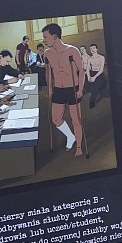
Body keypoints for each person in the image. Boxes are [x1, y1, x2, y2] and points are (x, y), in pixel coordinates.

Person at [42, 23, 85, 156]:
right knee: (56, 119)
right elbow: (48, 73)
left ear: (54, 36)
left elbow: (82, 71)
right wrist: (49, 89)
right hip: (58, 90)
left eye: (45, 37)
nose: (43, 40)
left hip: (73, 88)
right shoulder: (47, 53)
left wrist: (80, 90)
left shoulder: (72, 51)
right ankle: (70, 136)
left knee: (76, 120)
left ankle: (78, 146)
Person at [85, 43, 107, 107]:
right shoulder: (90, 59)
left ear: (97, 49)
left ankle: (92, 100)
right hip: (92, 72)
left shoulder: (101, 57)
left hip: (99, 73)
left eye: (94, 48)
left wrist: (94, 77)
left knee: (96, 86)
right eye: (91, 49)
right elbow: (88, 68)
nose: (92, 50)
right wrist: (89, 77)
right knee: (91, 85)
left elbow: (101, 69)